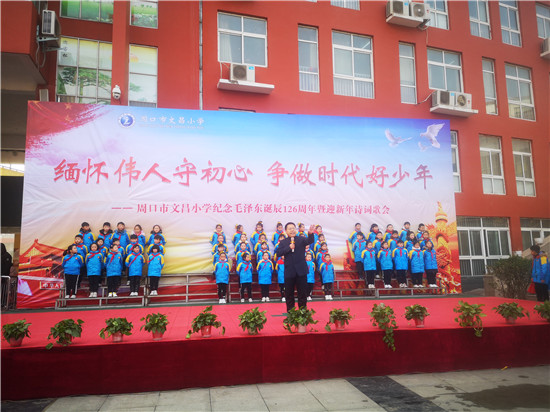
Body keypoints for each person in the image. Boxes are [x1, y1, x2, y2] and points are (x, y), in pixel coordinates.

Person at [276, 222, 315, 311]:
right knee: (289, 294)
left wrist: (310, 233)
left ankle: (303, 313)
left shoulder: (301, 239)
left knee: (302, 294)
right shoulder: (283, 242)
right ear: (286, 231)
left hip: (301, 271)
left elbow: (309, 241)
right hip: (289, 272)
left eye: (293, 228)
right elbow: (278, 253)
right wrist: (289, 247)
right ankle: (291, 314)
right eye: (290, 229)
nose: (292, 230)